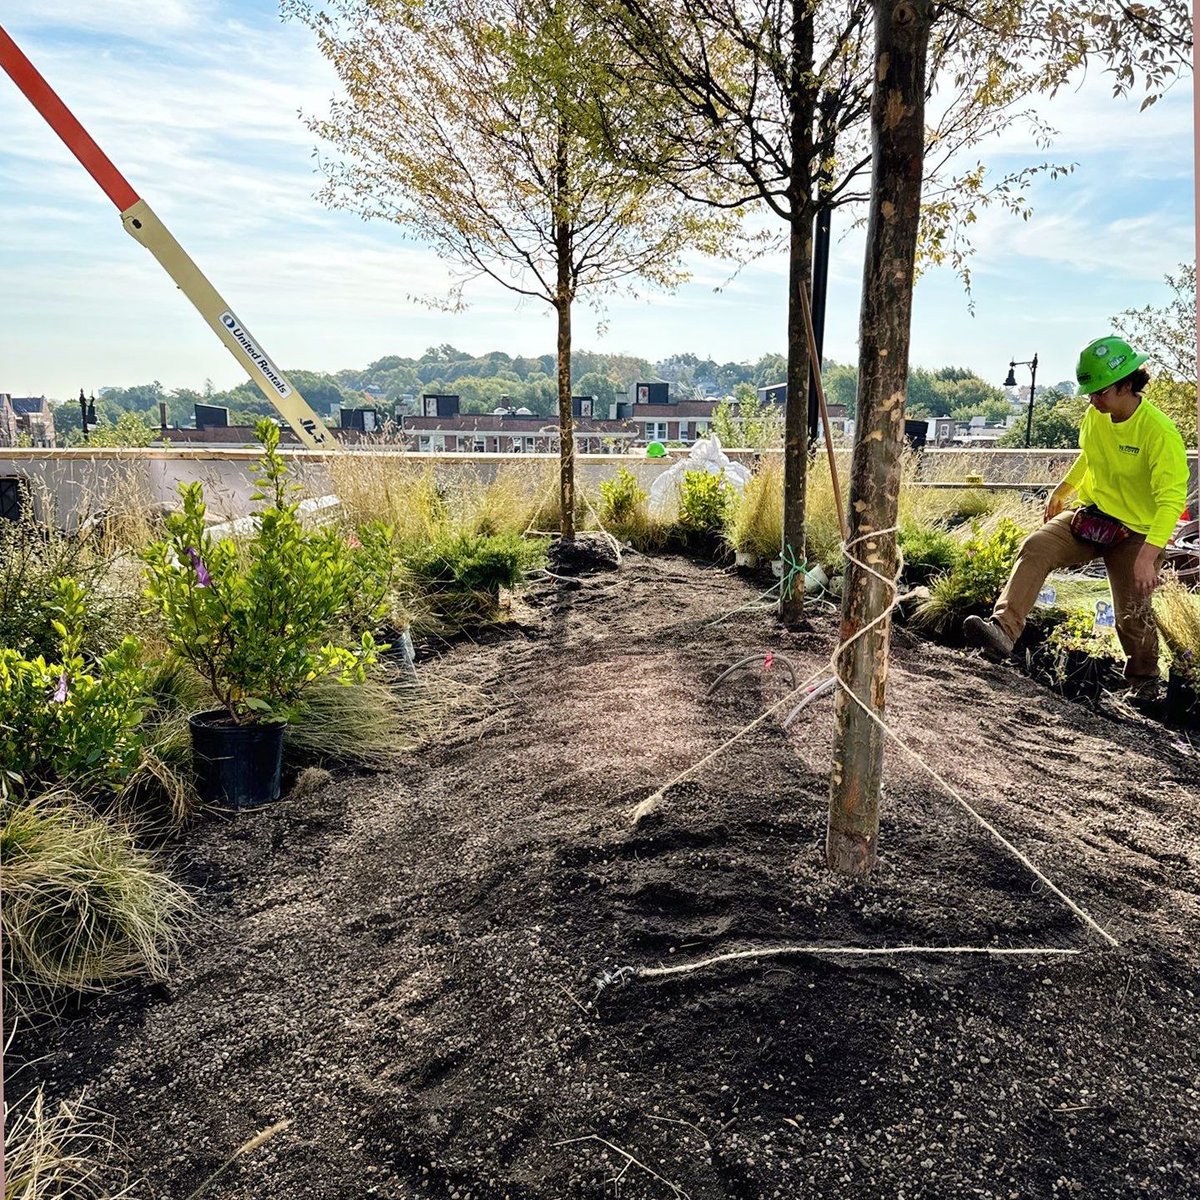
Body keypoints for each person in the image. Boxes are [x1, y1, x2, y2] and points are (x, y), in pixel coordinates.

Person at [963, 335, 1189, 699]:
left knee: (1131, 613)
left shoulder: (1159, 433)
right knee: (1036, 547)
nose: (1093, 399)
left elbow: (1170, 499)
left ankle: (1144, 685)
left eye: (1100, 391)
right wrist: (1063, 489)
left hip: (1138, 532)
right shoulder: (1095, 416)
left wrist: (1148, 556)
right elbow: (1090, 455)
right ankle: (1002, 632)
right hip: (1093, 515)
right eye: (1090, 392)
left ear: (1127, 385)